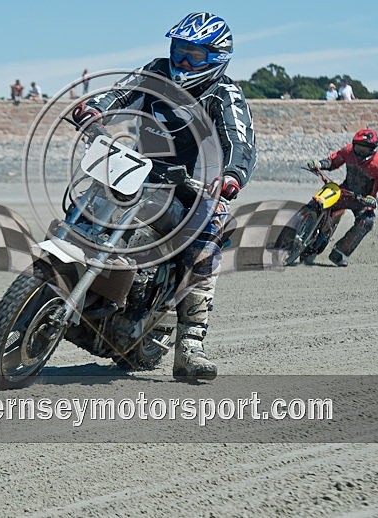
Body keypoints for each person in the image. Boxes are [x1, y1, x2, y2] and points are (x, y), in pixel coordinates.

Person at [71, 12, 256, 382]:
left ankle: (190, 346)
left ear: (217, 58)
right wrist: (95, 108)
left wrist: (231, 176)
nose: (183, 62)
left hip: (194, 187)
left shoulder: (225, 94)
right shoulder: (155, 71)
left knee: (204, 249)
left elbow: (239, 140)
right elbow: (120, 91)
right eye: (180, 51)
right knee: (87, 203)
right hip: (138, 168)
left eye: (195, 55)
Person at [305, 129, 378, 266]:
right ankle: (299, 230)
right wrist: (319, 164)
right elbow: (333, 161)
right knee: (318, 202)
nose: (360, 152)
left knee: (368, 221)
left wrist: (376, 202)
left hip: (364, 201)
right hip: (344, 192)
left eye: (365, 149)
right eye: (358, 147)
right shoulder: (349, 151)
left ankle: (340, 252)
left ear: (373, 149)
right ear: (353, 145)